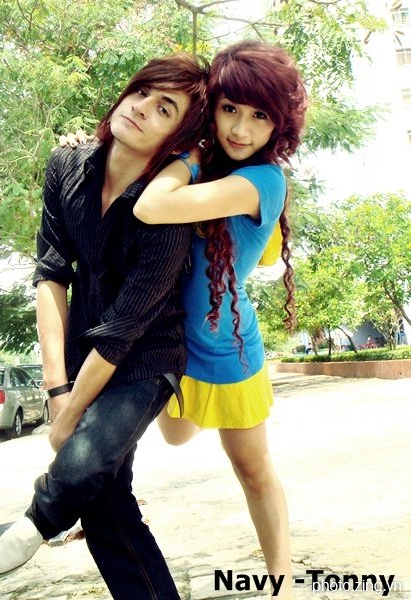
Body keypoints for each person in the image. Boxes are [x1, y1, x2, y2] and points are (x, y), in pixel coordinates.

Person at [0, 52, 208, 599]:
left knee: (84, 462)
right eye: (142, 92)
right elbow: (51, 275)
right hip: (85, 350)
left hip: (147, 355)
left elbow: (125, 327)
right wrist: (57, 391)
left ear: (178, 138)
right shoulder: (67, 165)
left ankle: (41, 516)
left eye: (165, 108)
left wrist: (70, 419)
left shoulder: (169, 210)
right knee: (108, 508)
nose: (142, 108)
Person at [133, 40, 307, 600]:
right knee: (176, 438)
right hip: (172, 346)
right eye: (230, 108)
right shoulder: (203, 166)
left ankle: (282, 585)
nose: (240, 128)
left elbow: (152, 206)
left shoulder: (264, 182)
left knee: (252, 469)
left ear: (279, 125)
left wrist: (188, 156)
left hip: (230, 350)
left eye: (260, 116)